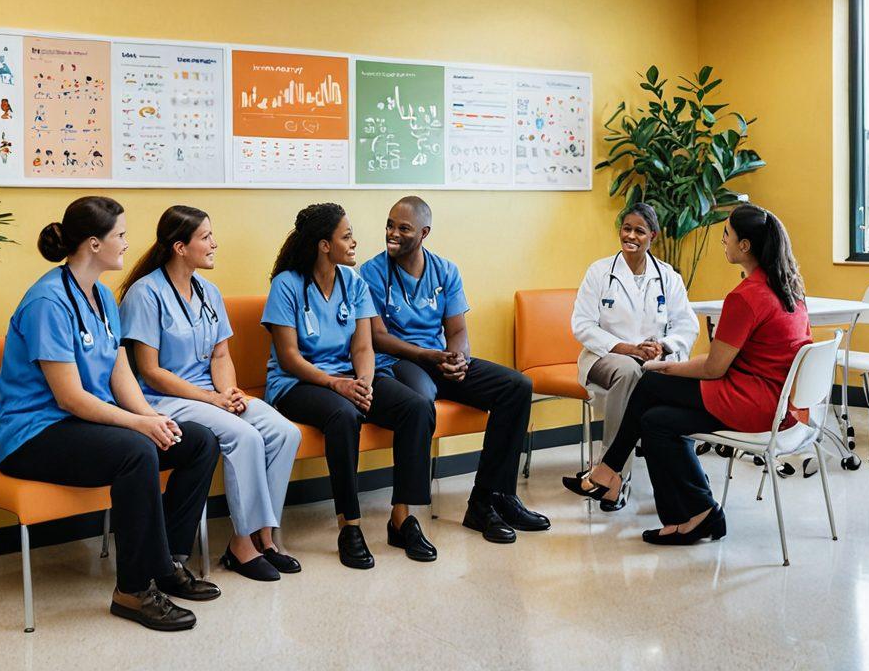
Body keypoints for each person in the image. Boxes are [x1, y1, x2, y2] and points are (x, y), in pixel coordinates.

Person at [0, 197, 220, 631]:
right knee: (136, 451)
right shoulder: (47, 301)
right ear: (94, 244)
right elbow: (69, 398)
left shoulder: (103, 298)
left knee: (197, 441)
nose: (128, 244)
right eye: (120, 236)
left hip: (82, 426)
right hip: (32, 434)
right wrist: (138, 425)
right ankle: (132, 590)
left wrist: (153, 417)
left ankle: (166, 563)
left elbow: (120, 377)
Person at [575, 203, 810, 546]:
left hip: (751, 401)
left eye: (727, 235)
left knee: (652, 381)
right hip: (773, 401)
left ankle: (609, 468)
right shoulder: (789, 288)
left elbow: (714, 367)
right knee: (656, 421)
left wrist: (664, 363)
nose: (723, 242)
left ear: (745, 246)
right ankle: (697, 515)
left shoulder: (746, 296)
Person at [120, 206, 302, 583]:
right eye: (206, 237)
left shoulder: (209, 291)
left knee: (286, 432)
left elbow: (221, 354)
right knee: (244, 435)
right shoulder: (145, 293)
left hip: (211, 394)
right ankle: (241, 545)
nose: (214, 243)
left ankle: (264, 536)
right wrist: (213, 400)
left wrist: (230, 392)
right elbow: (151, 371)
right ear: (180, 247)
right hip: (162, 399)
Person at [360, 196, 550, 544]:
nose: (392, 233)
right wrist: (429, 356)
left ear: (424, 232)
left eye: (403, 228)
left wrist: (458, 357)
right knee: (421, 400)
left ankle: (489, 499)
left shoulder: (445, 270)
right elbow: (378, 338)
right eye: (389, 225)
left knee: (517, 386)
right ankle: (406, 516)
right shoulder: (372, 271)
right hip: (400, 362)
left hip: (439, 359)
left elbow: (457, 330)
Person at [262, 203, 437, 570]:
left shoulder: (353, 282)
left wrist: (365, 383)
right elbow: (290, 357)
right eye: (346, 236)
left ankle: (401, 518)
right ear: (325, 245)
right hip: (297, 384)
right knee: (343, 415)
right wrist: (336, 385)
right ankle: (350, 526)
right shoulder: (287, 285)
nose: (355, 241)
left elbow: (363, 346)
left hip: (348, 378)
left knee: (417, 406)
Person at [564, 202, 698, 510]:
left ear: (653, 235)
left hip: (653, 359)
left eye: (639, 231)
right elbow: (582, 325)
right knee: (629, 371)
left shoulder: (668, 277)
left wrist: (663, 345)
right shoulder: (599, 272)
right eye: (626, 229)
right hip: (604, 358)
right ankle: (615, 475)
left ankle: (608, 475)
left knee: (639, 374)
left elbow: (687, 326)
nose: (631, 236)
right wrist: (626, 348)